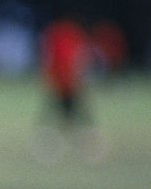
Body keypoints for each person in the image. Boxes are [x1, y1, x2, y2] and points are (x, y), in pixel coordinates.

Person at [35, 17, 107, 164]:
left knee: (66, 118)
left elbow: (50, 59)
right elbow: (80, 59)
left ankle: (52, 150)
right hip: (68, 83)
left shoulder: (57, 34)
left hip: (63, 84)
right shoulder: (71, 34)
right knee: (78, 118)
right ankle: (89, 150)